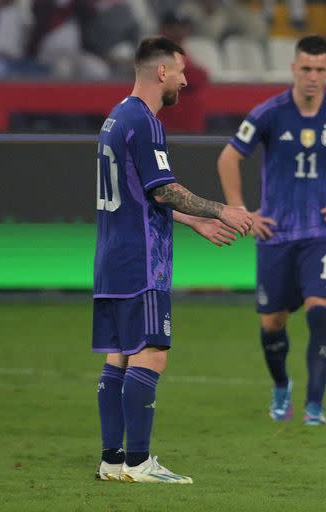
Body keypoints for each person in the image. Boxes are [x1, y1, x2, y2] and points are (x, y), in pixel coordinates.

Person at [92, 36, 253, 484]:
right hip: (142, 260)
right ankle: (140, 463)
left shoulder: (115, 118)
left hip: (111, 256)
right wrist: (222, 210)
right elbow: (162, 188)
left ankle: (112, 459)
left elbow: (140, 194)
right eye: (181, 70)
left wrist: (192, 222)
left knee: (118, 356)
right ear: (161, 72)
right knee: (151, 352)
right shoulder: (145, 123)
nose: (185, 79)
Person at [217, 35, 326, 425]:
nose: (313, 76)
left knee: (319, 313)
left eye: (320, 69)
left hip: (322, 231)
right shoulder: (269, 113)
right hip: (275, 233)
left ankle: (315, 404)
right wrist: (241, 212)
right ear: (294, 70)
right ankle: (282, 386)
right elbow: (229, 157)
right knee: (272, 324)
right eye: (306, 69)